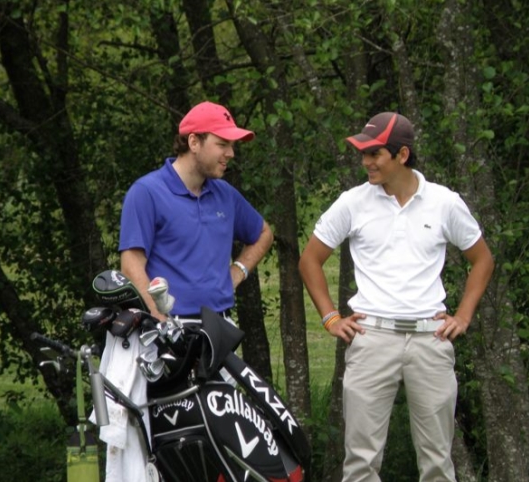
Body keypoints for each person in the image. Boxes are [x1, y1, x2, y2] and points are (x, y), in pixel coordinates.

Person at [298, 112, 494, 482]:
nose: (366, 163)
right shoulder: (353, 202)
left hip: (430, 339)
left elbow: (482, 259)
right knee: (360, 462)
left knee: (437, 460)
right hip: (372, 338)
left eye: (375, 154)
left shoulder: (444, 202)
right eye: (364, 154)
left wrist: (463, 316)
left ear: (402, 155)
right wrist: (330, 318)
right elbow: (310, 259)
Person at [119, 101, 273, 323]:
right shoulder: (146, 192)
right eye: (222, 144)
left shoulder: (225, 194)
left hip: (219, 325)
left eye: (232, 145)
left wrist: (238, 271)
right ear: (194, 142)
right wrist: (159, 320)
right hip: (169, 326)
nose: (230, 153)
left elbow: (263, 234)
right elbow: (131, 265)